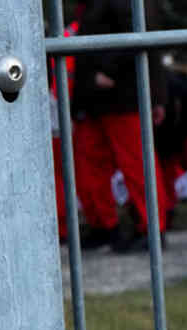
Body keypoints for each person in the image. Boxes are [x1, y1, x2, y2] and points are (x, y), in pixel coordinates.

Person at [70, 0, 168, 251]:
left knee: (136, 163)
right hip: (99, 96)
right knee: (90, 164)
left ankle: (151, 227)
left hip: (121, 94)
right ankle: (106, 226)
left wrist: (108, 71)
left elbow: (140, 38)